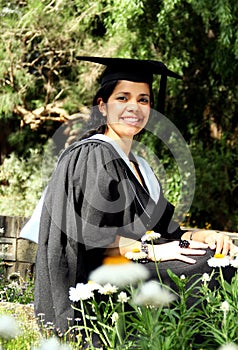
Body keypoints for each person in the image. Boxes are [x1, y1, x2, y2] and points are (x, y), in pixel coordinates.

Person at [34, 56, 236, 335]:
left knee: (218, 255)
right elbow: (90, 238)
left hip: (133, 264)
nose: (134, 107)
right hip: (96, 281)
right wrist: (152, 251)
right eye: (123, 98)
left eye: (143, 100)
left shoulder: (139, 165)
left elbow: (167, 231)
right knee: (204, 268)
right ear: (103, 106)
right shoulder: (93, 154)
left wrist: (203, 236)